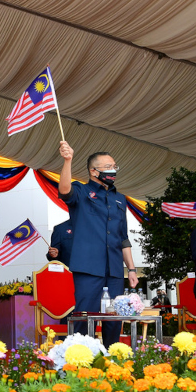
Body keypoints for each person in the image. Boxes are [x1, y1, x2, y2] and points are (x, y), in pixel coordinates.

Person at [57, 142, 138, 346]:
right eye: (108, 167)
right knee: (85, 315)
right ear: (94, 171)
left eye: (114, 167)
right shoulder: (81, 191)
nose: (113, 171)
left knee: (114, 317)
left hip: (114, 269)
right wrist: (68, 160)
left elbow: (123, 237)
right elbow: (64, 190)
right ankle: (80, 358)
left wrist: (132, 269)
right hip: (88, 266)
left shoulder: (120, 199)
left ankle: (112, 357)